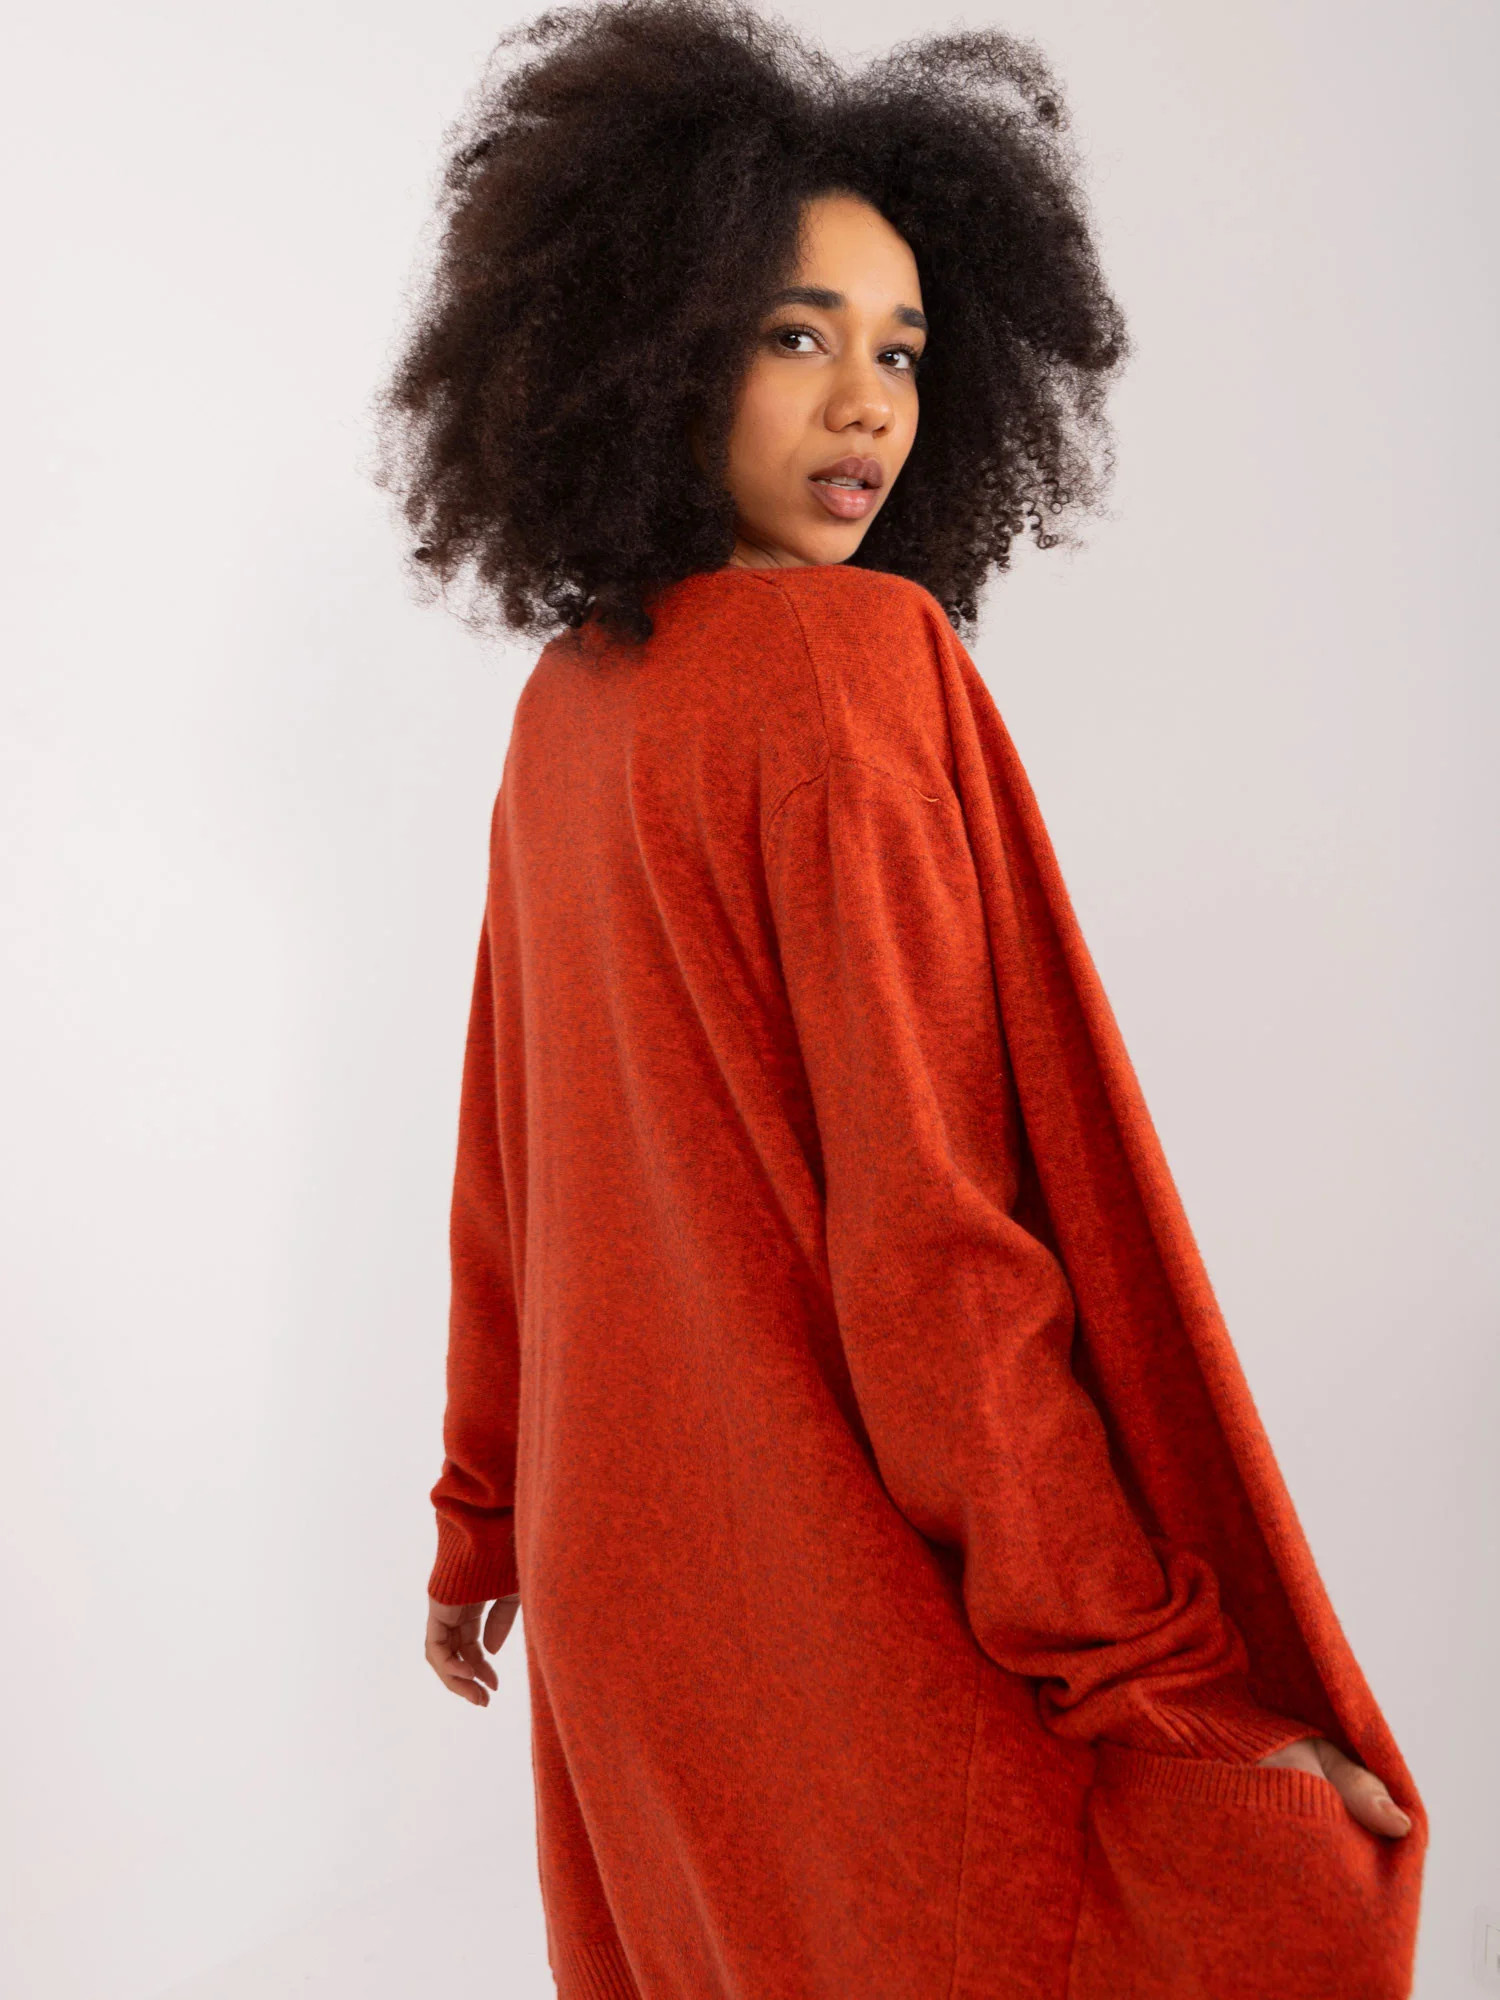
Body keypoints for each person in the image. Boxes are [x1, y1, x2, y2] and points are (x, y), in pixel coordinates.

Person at [376, 3, 1424, 1994]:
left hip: (623, 1605)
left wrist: (482, 1512)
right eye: (799, 336)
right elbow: (938, 1251)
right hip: (826, 1606)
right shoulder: (851, 672)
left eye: (906, 350)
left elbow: (506, 1169)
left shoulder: (568, 705)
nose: (868, 404)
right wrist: (1145, 1674)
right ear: (656, 344)